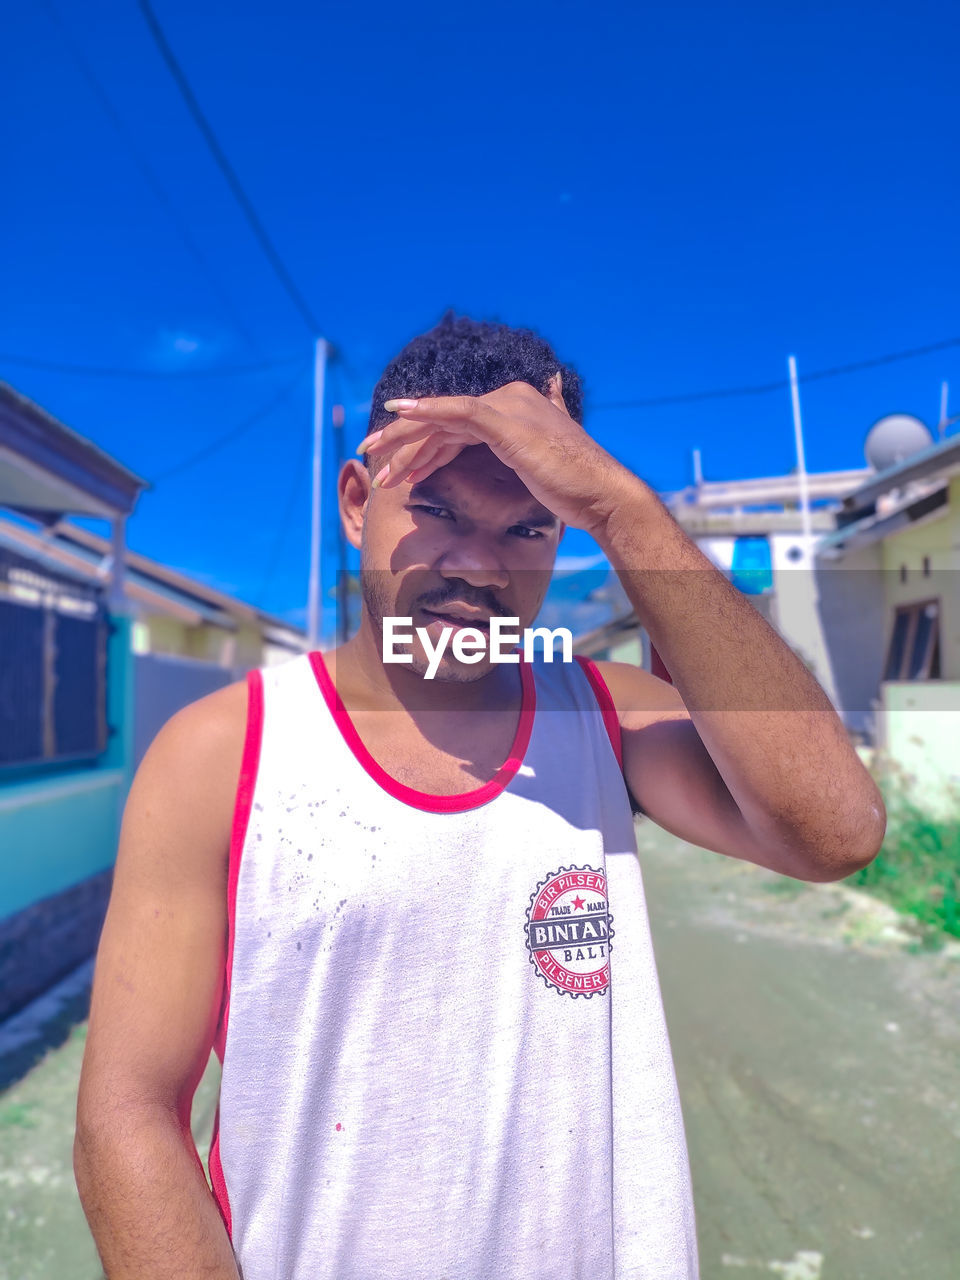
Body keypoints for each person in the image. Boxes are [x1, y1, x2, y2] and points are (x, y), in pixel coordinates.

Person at [73, 313, 886, 1280]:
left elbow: (834, 831)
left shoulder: (605, 717)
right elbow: (127, 1119)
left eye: (530, 525)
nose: (478, 564)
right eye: (440, 509)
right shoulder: (221, 754)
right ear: (354, 502)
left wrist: (624, 510)